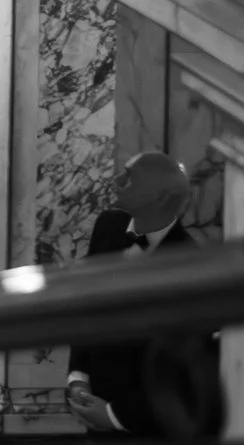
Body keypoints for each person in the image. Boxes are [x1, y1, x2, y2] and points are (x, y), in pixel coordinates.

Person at [67, 150, 221, 437]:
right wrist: (79, 377)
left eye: (129, 178)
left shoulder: (190, 264)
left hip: (146, 428)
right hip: (92, 408)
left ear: (160, 198)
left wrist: (115, 415)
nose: (116, 179)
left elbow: (182, 371)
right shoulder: (107, 226)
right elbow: (87, 308)